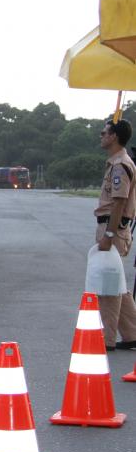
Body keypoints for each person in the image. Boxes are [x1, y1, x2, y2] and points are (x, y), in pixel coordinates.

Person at [94, 118, 136, 351]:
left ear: (114, 137)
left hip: (114, 228)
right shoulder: (115, 163)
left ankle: (107, 339)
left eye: (104, 132)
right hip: (114, 227)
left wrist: (109, 233)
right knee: (117, 282)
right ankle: (132, 333)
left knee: (108, 284)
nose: (101, 136)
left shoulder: (120, 165)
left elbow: (119, 202)